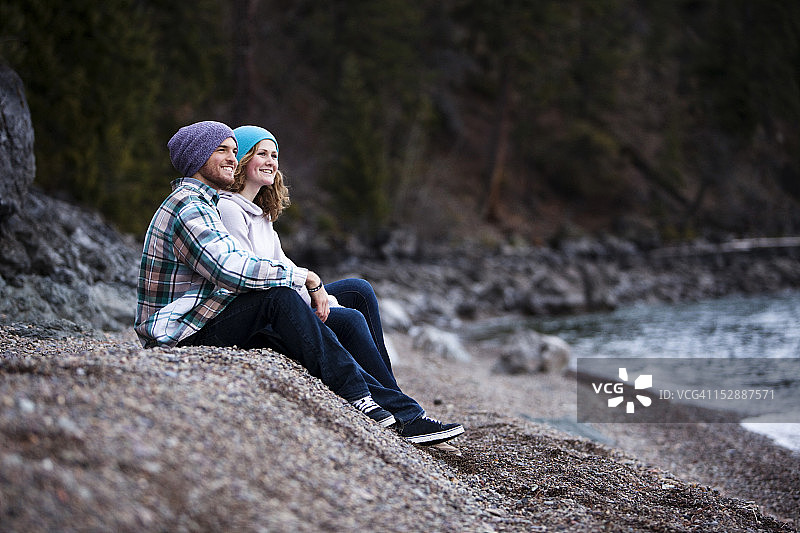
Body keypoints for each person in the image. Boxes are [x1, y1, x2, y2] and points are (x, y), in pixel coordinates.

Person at [135, 120, 463, 445]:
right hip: (180, 331)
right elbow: (231, 270)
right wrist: (306, 279)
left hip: (206, 315)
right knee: (287, 301)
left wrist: (313, 289)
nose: (232, 159)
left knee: (350, 294)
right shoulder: (192, 207)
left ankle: (394, 404)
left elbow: (266, 265)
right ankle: (369, 399)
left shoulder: (206, 204)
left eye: (234, 151)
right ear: (197, 156)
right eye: (223, 150)